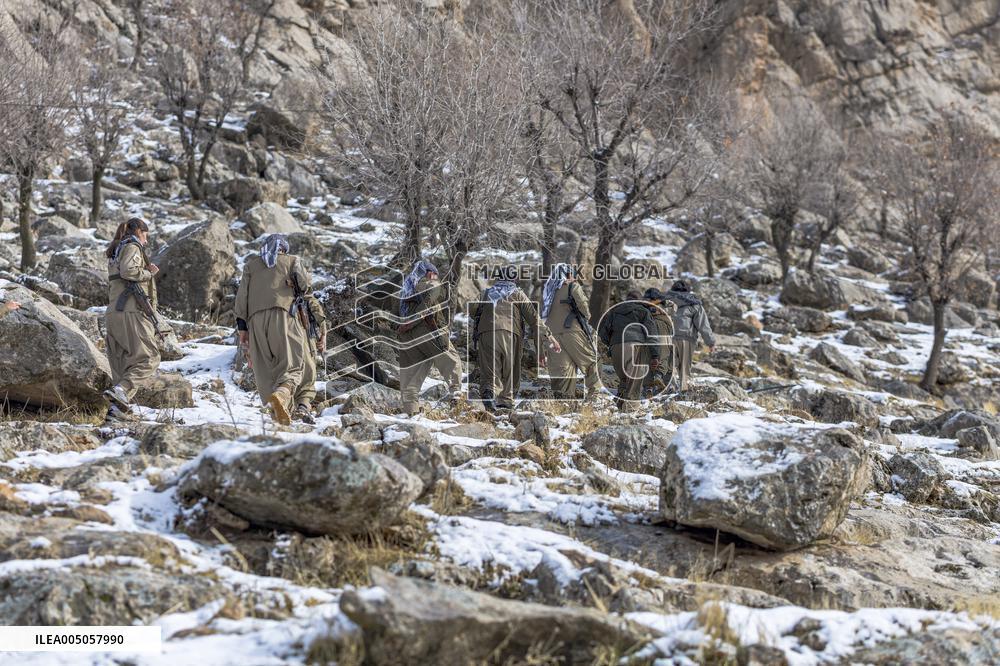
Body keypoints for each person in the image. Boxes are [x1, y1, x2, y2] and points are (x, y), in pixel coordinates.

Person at [234, 234, 309, 426]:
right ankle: (282, 395)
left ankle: (278, 415)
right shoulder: (292, 261)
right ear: (284, 248)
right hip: (283, 316)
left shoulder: (251, 265)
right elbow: (304, 285)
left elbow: (241, 298)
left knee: (265, 372)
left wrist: (242, 330)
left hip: (255, 323)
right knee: (292, 365)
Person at [104, 217, 164, 413]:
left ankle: (115, 412)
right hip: (131, 312)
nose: (146, 241)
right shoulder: (131, 246)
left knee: (123, 366)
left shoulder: (116, 250)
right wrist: (149, 273)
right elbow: (129, 271)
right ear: (139, 231)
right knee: (149, 358)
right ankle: (122, 390)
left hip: (114, 313)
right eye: (145, 236)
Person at [471, 277, 558, 412]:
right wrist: (549, 335)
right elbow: (533, 318)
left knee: (490, 368)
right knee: (510, 368)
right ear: (514, 280)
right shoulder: (517, 293)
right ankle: (505, 401)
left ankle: (489, 392)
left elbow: (472, 309)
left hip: (486, 331)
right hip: (510, 333)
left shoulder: (486, 292)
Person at [396, 259, 463, 416]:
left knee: (410, 378)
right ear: (429, 273)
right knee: (452, 360)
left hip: (406, 338)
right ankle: (457, 398)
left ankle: (411, 412)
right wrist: (413, 320)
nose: (435, 277)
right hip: (426, 329)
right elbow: (433, 295)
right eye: (434, 274)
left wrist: (403, 326)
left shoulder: (405, 287)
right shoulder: (427, 283)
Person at [541, 263, 599, 399]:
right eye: (572, 274)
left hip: (552, 335)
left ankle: (564, 402)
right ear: (568, 275)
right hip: (572, 332)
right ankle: (595, 396)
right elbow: (584, 309)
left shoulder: (549, 290)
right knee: (591, 361)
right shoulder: (573, 286)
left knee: (563, 369)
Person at [598, 291, 660, 410]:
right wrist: (655, 355)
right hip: (635, 345)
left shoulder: (614, 311)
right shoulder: (643, 311)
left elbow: (603, 334)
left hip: (616, 346)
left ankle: (620, 406)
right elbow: (651, 334)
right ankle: (630, 409)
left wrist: (612, 345)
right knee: (635, 379)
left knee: (624, 379)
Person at [664, 280, 715, 391]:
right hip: (686, 339)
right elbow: (703, 325)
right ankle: (684, 391)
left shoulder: (665, 301)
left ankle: (669, 390)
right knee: (684, 368)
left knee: (668, 367)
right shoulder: (694, 304)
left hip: (667, 339)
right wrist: (710, 342)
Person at [290, 291, 327, 424]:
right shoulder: (306, 297)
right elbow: (318, 314)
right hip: (305, 336)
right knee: (308, 374)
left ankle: (290, 407)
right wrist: (323, 335)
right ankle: (303, 406)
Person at [641, 288, 675, 396]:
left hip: (646, 327)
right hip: (662, 326)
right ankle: (659, 378)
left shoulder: (643, 304)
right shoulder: (665, 304)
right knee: (664, 353)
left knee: (648, 355)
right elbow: (674, 309)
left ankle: (648, 387)